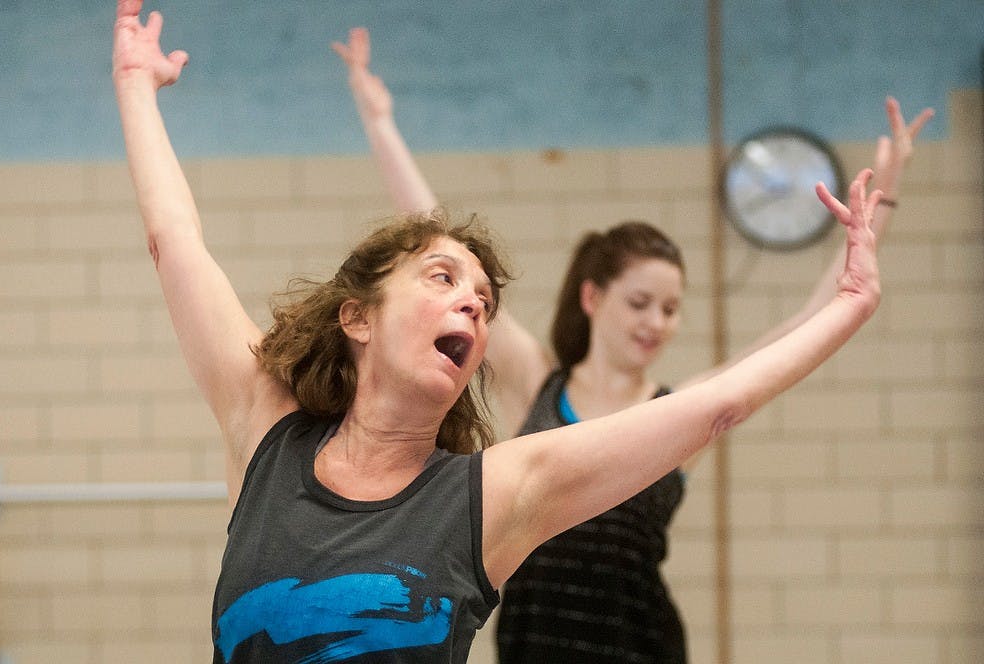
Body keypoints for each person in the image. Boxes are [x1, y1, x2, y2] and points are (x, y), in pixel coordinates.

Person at [114, 2, 887, 660]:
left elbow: (717, 405)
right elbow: (174, 241)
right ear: (358, 318)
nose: (474, 305)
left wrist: (850, 301)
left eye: (484, 298)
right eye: (444, 279)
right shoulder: (264, 425)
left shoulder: (493, 494)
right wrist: (136, 89)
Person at [332, 27, 934, 663]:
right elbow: (435, 235)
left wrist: (882, 203)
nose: (655, 323)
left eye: (671, 309)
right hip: (537, 645)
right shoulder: (537, 380)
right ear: (593, 299)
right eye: (640, 303)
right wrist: (380, 122)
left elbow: (812, 319)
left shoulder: (681, 407)